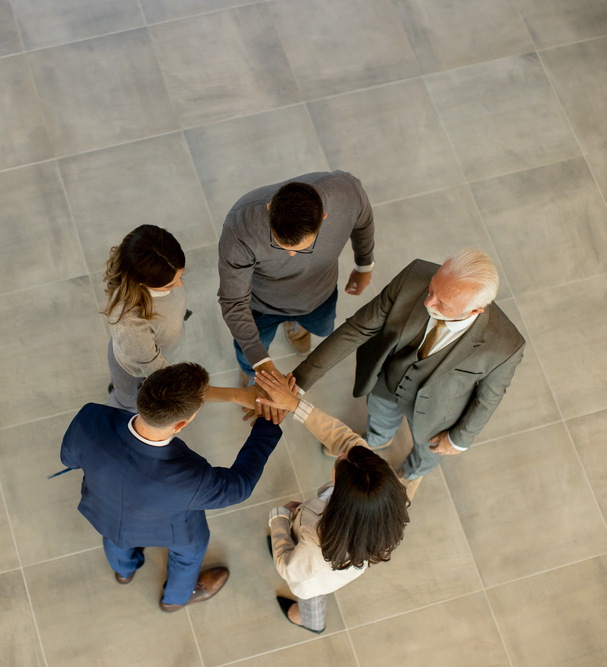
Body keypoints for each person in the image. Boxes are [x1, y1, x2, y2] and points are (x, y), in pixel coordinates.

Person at [291, 248, 525, 499]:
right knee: (379, 416)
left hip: (439, 413)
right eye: (431, 289)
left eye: (442, 303)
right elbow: (357, 329)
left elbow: (488, 399)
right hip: (388, 381)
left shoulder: (506, 346)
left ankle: (412, 474)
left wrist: (458, 439)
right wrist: (299, 380)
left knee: (427, 453)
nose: (428, 302)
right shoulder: (415, 274)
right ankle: (377, 439)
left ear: (474, 311)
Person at [60, 362, 282, 611]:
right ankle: (175, 599)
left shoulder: (90, 418)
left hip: (105, 510)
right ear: (180, 425)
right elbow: (239, 486)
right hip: (171, 531)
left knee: (114, 538)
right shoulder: (191, 477)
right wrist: (267, 425)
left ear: (144, 386)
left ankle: (124, 571)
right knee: (191, 551)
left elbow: (68, 458)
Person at [252, 371, 408, 633]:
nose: (340, 452)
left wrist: (280, 518)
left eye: (339, 461)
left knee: (310, 593)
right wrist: (293, 403)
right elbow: (345, 440)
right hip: (344, 560)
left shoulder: (316, 541)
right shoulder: (379, 485)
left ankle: (311, 620)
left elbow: (289, 569)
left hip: (316, 573)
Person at [217, 172, 375, 392]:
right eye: (281, 244)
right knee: (249, 352)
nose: (291, 255)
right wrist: (261, 363)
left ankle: (298, 325)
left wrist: (364, 265)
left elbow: (363, 220)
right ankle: (250, 374)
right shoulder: (241, 227)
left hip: (319, 295)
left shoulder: (348, 193)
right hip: (261, 306)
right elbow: (233, 301)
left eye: (301, 248)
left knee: (322, 328)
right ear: (271, 208)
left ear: (324, 217)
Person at [103, 225, 188, 411]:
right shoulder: (130, 324)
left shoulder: (160, 267)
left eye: (180, 277)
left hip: (151, 353)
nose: (180, 284)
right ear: (143, 282)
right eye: (170, 285)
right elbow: (163, 374)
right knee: (127, 404)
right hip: (134, 374)